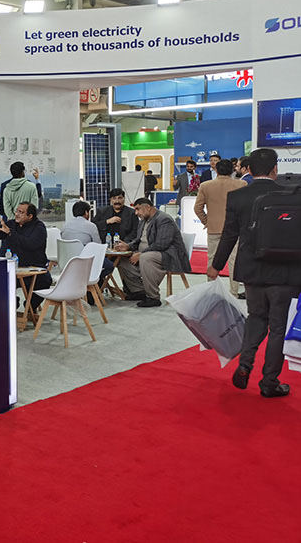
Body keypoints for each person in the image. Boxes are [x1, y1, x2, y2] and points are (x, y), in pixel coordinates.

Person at [207, 148, 301, 397]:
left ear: (248, 169)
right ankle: (269, 382)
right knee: (278, 327)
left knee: (256, 317)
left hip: (252, 270)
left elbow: (229, 235)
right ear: (275, 169)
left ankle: (245, 364)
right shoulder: (291, 195)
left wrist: (216, 265)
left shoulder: (237, 197)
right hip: (285, 273)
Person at [114, 198, 191, 307]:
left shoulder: (164, 219)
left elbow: (162, 244)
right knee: (122, 260)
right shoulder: (143, 221)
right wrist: (127, 246)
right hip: (148, 253)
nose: (136, 213)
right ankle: (139, 291)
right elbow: (138, 240)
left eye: (138, 209)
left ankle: (153, 297)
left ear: (148, 207)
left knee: (146, 257)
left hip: (168, 255)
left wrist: (140, 254)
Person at [0, 202, 51, 314]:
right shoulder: (11, 224)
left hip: (33, 267)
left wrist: (10, 233)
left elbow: (30, 244)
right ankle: (13, 303)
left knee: (45, 280)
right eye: (17, 211)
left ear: (30, 216)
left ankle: (30, 306)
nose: (17, 214)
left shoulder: (39, 227)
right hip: (11, 268)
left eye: (21, 212)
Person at [194, 158, 245, 297]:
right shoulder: (241, 184)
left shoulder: (205, 185)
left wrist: (207, 221)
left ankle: (212, 291)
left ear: (216, 170)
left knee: (212, 259)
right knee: (234, 261)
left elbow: (197, 208)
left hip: (214, 229)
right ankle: (234, 292)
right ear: (232, 169)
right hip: (235, 229)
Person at [63, 201, 114, 304]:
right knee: (109, 266)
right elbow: (98, 245)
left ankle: (87, 289)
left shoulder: (65, 225)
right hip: (86, 261)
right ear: (86, 212)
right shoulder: (90, 226)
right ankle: (92, 288)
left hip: (68, 262)